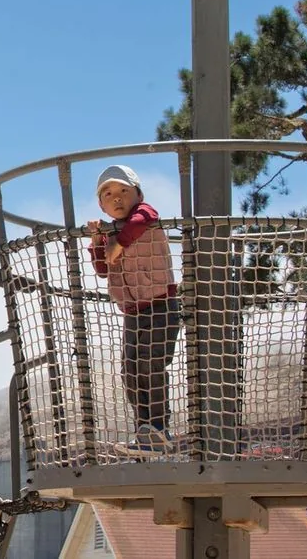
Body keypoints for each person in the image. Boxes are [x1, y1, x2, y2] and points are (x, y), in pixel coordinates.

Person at [87, 164, 181, 456]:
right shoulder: (110, 233)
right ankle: (144, 430)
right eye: (108, 194)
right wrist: (97, 242)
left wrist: (120, 241)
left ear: (138, 194)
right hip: (132, 312)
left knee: (151, 364)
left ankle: (158, 427)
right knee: (130, 370)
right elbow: (103, 269)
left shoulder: (145, 218)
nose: (117, 198)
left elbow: (145, 217)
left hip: (161, 305)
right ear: (102, 205)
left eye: (124, 191)